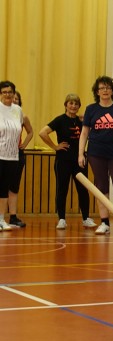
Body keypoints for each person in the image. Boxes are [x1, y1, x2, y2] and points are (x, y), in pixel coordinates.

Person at [78, 75, 113, 235]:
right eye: (102, 88)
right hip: (96, 154)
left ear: (112, 90)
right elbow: (84, 133)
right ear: (97, 91)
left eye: (108, 87)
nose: (105, 90)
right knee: (101, 188)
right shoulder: (91, 109)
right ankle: (105, 223)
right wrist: (80, 154)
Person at [39, 94, 96, 230]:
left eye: (76, 104)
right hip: (63, 160)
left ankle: (86, 218)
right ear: (66, 105)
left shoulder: (82, 121)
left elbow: (93, 130)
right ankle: (62, 219)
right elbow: (42, 133)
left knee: (83, 189)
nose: (73, 106)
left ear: (79, 106)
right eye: (71, 103)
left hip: (80, 160)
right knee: (62, 189)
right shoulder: (60, 120)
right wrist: (55, 146)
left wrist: (87, 119)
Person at [6, 90, 33, 228]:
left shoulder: (22, 116)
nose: (13, 100)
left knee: (13, 186)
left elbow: (30, 132)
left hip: (17, 154)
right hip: (2, 153)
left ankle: (13, 216)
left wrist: (24, 144)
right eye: (12, 98)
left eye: (16, 98)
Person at [0, 81, 23, 231]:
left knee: (4, 189)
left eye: (10, 92)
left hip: (13, 157)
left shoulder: (18, 110)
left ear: (14, 93)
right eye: (4, 92)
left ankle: (1, 219)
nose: (7, 94)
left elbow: (20, 129)